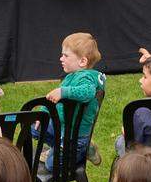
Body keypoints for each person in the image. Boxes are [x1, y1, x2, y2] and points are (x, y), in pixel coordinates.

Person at [44, 31, 106, 171]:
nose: (61, 58)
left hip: (75, 136)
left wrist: (63, 91)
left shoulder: (87, 78)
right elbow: (54, 101)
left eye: (65, 55)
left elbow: (88, 92)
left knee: (50, 165)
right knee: (35, 128)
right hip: (64, 126)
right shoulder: (71, 77)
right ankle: (57, 147)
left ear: (82, 61)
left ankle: (83, 149)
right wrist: (43, 113)